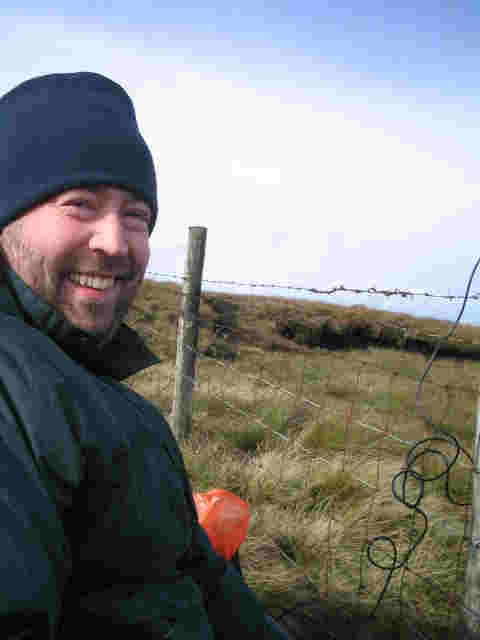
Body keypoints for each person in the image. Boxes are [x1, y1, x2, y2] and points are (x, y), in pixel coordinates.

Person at [0, 73, 288, 639]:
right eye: (79, 205)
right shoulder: (13, 385)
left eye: (136, 215)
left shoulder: (99, 389)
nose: (115, 242)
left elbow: (203, 579)